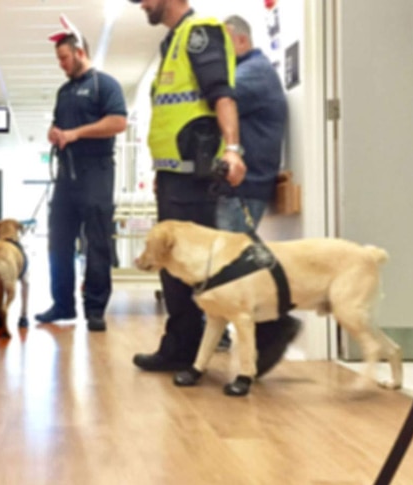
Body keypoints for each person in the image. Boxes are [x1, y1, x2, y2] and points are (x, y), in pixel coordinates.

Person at [128, 0, 299, 376]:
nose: (140, 4)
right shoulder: (171, 43)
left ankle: (271, 327)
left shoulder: (200, 33)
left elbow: (222, 95)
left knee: (220, 269)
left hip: (200, 177)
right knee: (181, 269)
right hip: (177, 173)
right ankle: (182, 347)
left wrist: (234, 150)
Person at [34, 18, 128, 332]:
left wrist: (75, 134)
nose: (61, 65)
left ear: (79, 52)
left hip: (96, 173)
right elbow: (60, 125)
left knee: (97, 243)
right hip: (66, 177)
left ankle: (95, 309)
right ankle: (63, 305)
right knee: (59, 242)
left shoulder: (105, 84)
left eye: (64, 58)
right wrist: (55, 132)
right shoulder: (64, 92)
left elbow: (117, 122)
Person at [216, 14, 288, 351]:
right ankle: (240, 333)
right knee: (233, 263)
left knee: (232, 265)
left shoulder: (252, 74)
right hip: (242, 185)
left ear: (241, 42)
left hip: (245, 186)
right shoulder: (251, 71)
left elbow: (215, 100)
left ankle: (271, 328)